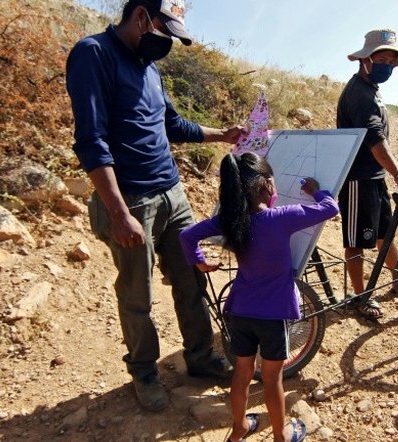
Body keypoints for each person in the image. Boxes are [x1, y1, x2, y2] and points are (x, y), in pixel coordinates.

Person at [65, 0, 243, 412]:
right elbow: (91, 141)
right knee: (137, 293)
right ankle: (144, 371)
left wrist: (222, 135)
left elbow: (172, 125)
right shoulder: (94, 53)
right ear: (142, 16)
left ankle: (201, 357)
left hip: (172, 194)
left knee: (191, 279)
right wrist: (118, 212)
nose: (168, 43)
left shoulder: (150, 68)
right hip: (131, 200)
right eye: (166, 31)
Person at [180, 152, 336, 442]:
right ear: (266, 184)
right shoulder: (282, 217)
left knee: (242, 372)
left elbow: (187, 236)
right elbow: (330, 208)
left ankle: (239, 428)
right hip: (273, 316)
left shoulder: (229, 221)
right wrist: (316, 191)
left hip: (240, 311)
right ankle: (280, 435)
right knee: (272, 378)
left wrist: (200, 263)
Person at [337, 28, 398, 320]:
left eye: (390, 61)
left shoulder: (372, 89)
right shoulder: (358, 93)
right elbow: (375, 139)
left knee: (384, 235)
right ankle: (361, 296)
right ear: (365, 60)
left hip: (374, 177)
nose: (387, 66)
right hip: (357, 179)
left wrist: (389, 174)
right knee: (356, 241)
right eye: (381, 60)